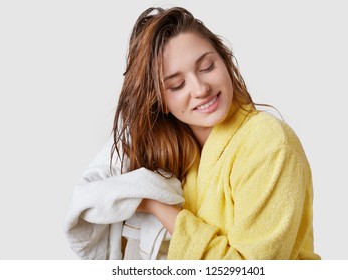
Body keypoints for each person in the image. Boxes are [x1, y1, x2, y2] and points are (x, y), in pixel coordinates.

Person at [64, 6, 320, 260]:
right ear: (160, 100)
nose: (200, 88)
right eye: (177, 85)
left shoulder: (269, 143)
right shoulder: (173, 155)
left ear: (224, 59)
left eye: (207, 67)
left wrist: (156, 206)